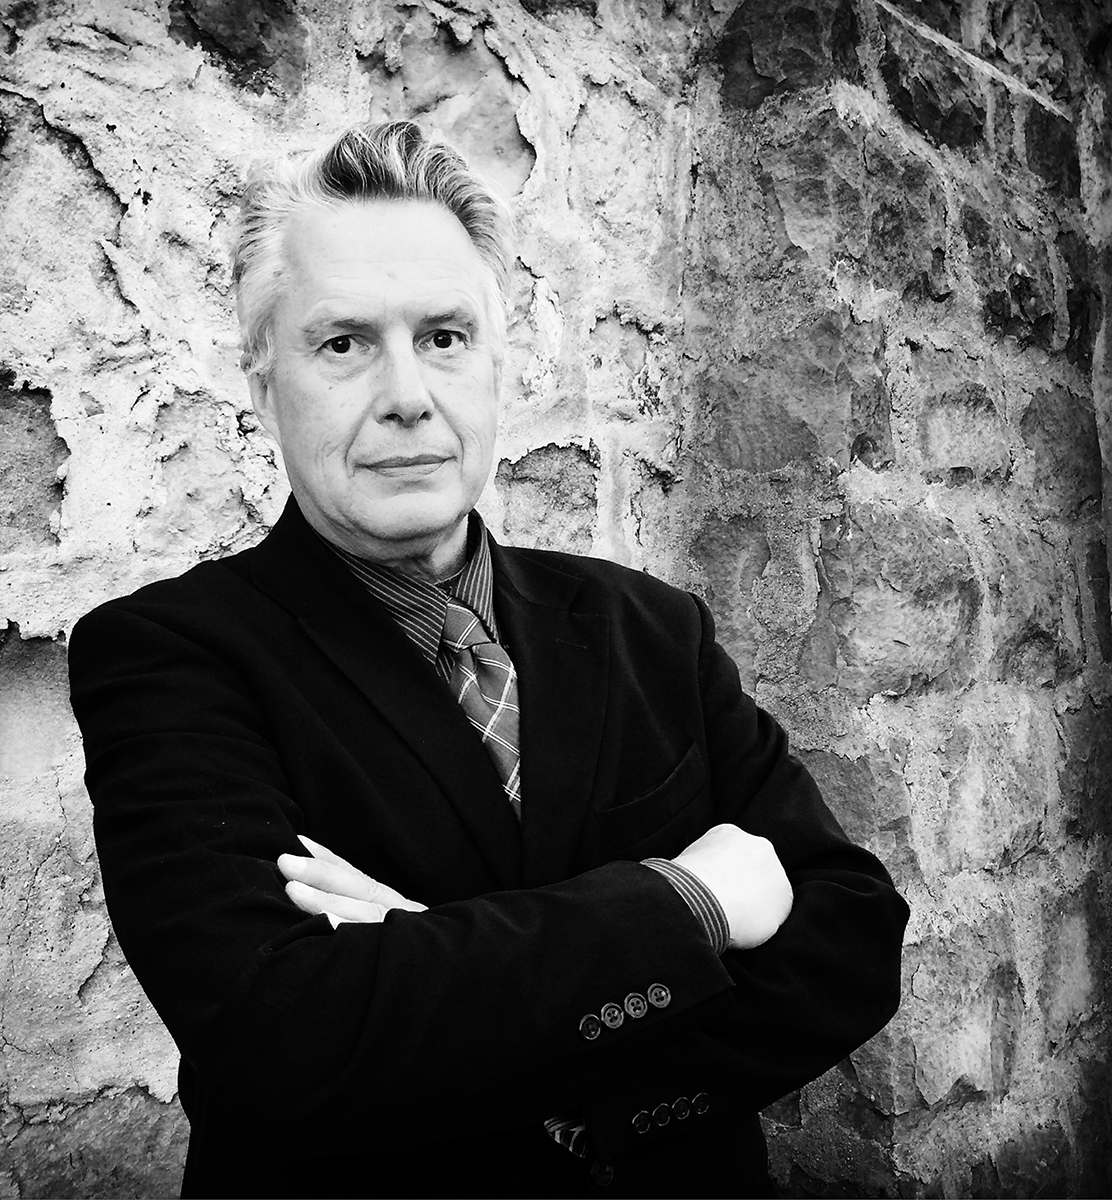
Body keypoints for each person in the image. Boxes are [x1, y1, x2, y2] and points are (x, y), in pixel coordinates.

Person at [68, 121, 908, 1199]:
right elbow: (283, 1037)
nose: (408, 393)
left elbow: (850, 935)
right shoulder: (171, 658)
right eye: (343, 343)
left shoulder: (651, 629)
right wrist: (682, 905)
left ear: (501, 368)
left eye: (446, 337)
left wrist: (448, 982)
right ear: (262, 380)